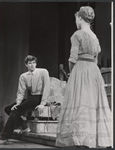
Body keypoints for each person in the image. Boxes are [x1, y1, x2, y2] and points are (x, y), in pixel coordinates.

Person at [55, 6, 112, 148]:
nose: (76, 21)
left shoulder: (77, 34)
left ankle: (80, 138)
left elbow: (72, 58)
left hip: (80, 69)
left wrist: (73, 75)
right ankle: (91, 138)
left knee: (79, 102)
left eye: (76, 18)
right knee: (91, 103)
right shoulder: (94, 36)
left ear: (80, 18)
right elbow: (96, 59)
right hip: (93, 71)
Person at [0, 55, 50, 144]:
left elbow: (47, 88)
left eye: (33, 63)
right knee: (8, 109)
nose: (32, 65)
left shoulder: (43, 72)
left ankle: (4, 137)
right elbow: (21, 92)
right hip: (31, 98)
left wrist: (43, 103)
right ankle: (24, 127)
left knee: (15, 111)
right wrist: (18, 103)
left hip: (39, 97)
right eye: (29, 63)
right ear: (26, 65)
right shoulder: (23, 76)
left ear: (36, 63)